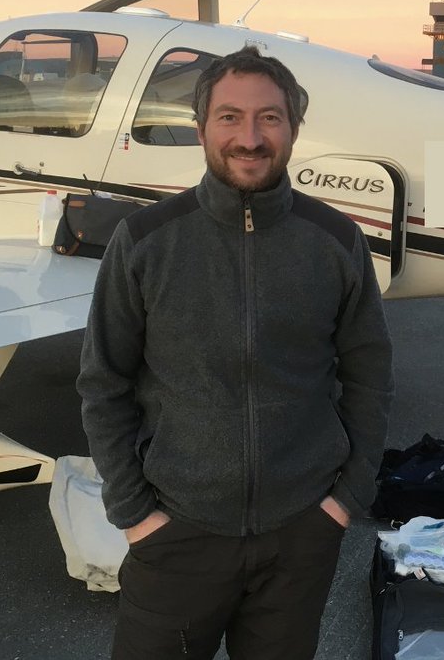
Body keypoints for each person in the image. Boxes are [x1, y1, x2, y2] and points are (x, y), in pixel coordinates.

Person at [78, 45, 394, 659]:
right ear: (201, 129)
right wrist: (134, 512)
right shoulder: (145, 241)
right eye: (229, 117)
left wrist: (346, 500)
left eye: (269, 118)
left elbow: (370, 376)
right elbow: (103, 382)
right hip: (177, 530)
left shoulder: (334, 241)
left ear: (293, 130)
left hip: (300, 534)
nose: (249, 138)